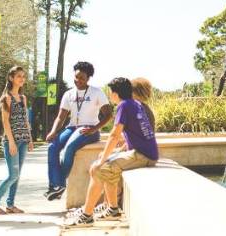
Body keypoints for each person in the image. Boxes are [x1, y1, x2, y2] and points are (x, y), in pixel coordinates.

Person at [65, 77, 158, 228]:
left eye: (110, 93)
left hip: (142, 155)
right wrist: (111, 154)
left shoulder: (127, 106)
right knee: (102, 165)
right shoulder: (134, 105)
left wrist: (105, 157)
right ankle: (110, 208)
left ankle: (88, 214)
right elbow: (133, 136)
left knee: (100, 168)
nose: (109, 96)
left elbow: (115, 135)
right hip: (142, 152)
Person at [44, 61, 113, 201]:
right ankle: (54, 186)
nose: (78, 80)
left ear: (88, 78)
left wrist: (94, 129)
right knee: (52, 147)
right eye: (76, 77)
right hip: (71, 127)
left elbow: (108, 115)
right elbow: (60, 117)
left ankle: (59, 185)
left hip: (89, 129)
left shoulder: (96, 92)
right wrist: (53, 132)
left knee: (70, 147)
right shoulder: (69, 94)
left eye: (82, 78)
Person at [0, 66, 34, 215]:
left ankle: (10, 205)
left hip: (23, 140)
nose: (22, 79)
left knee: (17, 175)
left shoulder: (23, 98)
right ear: (11, 78)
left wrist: (30, 139)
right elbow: (6, 122)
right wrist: (12, 142)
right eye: (18, 76)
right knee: (12, 175)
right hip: (11, 141)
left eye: (23, 76)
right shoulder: (6, 98)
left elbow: (25, 120)